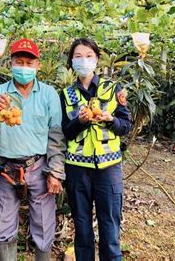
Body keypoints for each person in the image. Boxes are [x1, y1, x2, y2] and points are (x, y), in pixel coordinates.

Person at [0, 38, 65, 261]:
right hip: (8, 170)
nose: (24, 67)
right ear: (11, 63)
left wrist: (55, 171)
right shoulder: (0, 93)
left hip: (38, 166)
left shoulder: (48, 94)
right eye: (19, 62)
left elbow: (56, 136)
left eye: (29, 63)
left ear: (37, 65)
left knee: (44, 225)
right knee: (5, 226)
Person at [59, 38, 132, 261]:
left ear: (97, 60)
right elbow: (65, 131)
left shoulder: (112, 90)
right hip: (77, 169)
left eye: (89, 56)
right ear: (72, 61)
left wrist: (110, 119)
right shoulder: (66, 95)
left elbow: (126, 125)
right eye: (78, 56)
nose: (84, 61)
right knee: (82, 227)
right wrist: (79, 122)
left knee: (110, 225)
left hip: (108, 168)